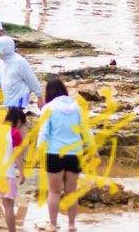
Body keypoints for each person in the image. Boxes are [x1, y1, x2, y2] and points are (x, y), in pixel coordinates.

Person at [38, 78, 91, 232]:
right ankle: (71, 225)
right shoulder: (76, 107)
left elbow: (43, 133)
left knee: (54, 191)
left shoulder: (48, 108)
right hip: (74, 154)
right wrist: (92, 148)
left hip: (54, 153)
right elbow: (85, 131)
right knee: (71, 191)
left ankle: (53, 225)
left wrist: (38, 151)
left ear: (49, 93)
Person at [0, 36, 44, 109]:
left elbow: (31, 79)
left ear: (5, 49)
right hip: (9, 98)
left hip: (20, 98)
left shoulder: (20, 62)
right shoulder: (3, 62)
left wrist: (40, 97)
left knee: (11, 118)